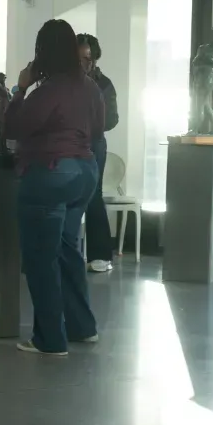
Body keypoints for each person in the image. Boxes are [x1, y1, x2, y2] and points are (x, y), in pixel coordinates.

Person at [4, 18, 104, 357]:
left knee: (41, 259)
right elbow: (98, 127)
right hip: (85, 174)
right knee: (67, 251)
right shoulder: (90, 87)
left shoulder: (48, 90)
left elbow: (15, 127)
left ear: (42, 51)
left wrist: (19, 89)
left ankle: (50, 339)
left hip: (50, 174)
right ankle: (82, 326)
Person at [76, 33, 121, 272]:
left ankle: (100, 254)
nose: (84, 64)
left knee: (93, 194)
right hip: (69, 142)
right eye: (80, 58)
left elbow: (112, 119)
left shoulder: (103, 84)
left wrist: (90, 121)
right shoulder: (64, 82)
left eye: (88, 59)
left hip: (93, 144)